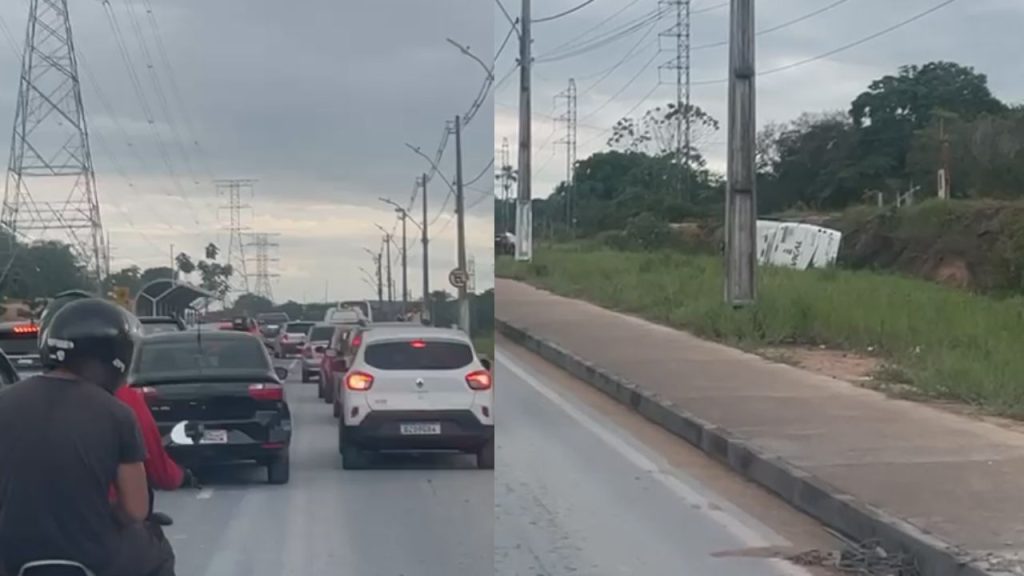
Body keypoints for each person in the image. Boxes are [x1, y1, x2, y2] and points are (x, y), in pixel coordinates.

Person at [0, 298, 176, 576]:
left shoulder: (5, 402)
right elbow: (135, 509)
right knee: (156, 549)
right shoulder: (117, 413)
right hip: (93, 556)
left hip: (11, 554)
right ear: (115, 356)